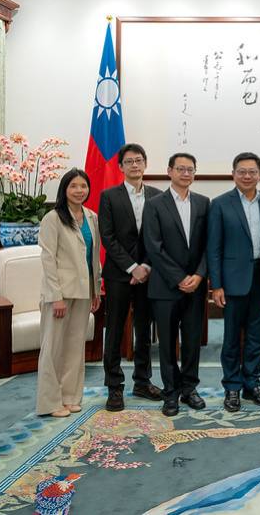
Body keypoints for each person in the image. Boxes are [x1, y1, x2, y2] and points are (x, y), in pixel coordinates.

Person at [207, 152, 260, 412]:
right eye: (242, 171)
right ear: (233, 173)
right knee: (231, 339)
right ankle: (232, 387)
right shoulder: (220, 204)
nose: (247, 176)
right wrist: (217, 284)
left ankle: (252, 384)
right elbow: (213, 248)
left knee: (256, 337)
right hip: (232, 280)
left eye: (252, 171)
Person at [143, 152, 210, 417]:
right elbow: (153, 246)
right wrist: (179, 277)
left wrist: (199, 275)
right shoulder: (155, 204)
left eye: (190, 169)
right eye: (180, 168)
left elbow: (209, 244)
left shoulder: (205, 203)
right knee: (168, 343)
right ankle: (170, 393)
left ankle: (189, 389)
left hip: (196, 285)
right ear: (169, 171)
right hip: (165, 287)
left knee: (192, 340)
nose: (185, 173)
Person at [99, 143, 163, 412]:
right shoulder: (109, 196)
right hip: (118, 275)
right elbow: (108, 238)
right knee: (114, 330)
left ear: (145, 164)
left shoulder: (158, 196)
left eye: (139, 160)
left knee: (144, 329)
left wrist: (145, 266)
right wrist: (131, 267)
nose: (134, 165)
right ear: (121, 167)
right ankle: (114, 387)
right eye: (129, 161)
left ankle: (142, 381)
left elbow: (158, 237)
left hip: (148, 274)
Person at [36, 168, 101, 417]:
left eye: (83, 186)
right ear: (65, 189)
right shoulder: (52, 218)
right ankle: (50, 402)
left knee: (75, 347)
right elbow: (48, 259)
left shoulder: (92, 217)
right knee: (53, 348)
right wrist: (56, 296)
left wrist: (96, 289)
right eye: (73, 186)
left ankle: (70, 396)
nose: (79, 191)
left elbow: (93, 256)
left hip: (84, 292)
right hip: (59, 294)